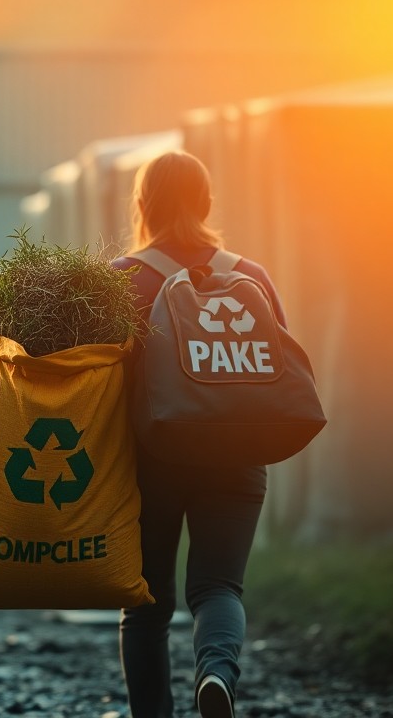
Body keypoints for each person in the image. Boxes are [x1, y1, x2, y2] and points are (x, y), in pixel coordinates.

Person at [110, 151, 287, 718]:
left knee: (146, 604)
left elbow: (96, 384)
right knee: (218, 589)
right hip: (237, 456)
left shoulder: (123, 279)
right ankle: (215, 675)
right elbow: (277, 366)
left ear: (142, 204)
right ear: (207, 203)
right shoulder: (249, 275)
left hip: (151, 460)